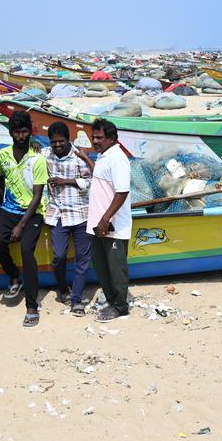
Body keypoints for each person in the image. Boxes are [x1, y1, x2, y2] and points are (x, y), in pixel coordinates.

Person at [0, 111, 49, 326]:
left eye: (25, 131)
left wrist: (20, 225)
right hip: (8, 209)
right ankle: (13, 276)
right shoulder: (3, 155)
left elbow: (37, 196)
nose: (21, 136)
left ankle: (32, 306)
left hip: (32, 212)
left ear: (30, 132)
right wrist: (2, 204)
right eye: (17, 132)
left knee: (27, 251)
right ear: (10, 133)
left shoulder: (37, 158)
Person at [43, 120, 93, 317]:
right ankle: (62, 287)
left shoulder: (79, 157)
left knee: (82, 259)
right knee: (59, 256)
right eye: (54, 142)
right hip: (58, 214)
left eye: (61, 142)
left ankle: (76, 300)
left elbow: (91, 182)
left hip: (81, 213)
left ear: (68, 140)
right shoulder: (45, 154)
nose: (57, 145)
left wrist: (68, 181)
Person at [88, 119, 132, 323]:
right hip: (98, 225)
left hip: (113, 226)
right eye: (93, 136)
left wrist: (106, 219)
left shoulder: (118, 158)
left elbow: (122, 192)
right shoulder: (103, 156)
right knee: (101, 266)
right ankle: (112, 301)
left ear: (112, 139)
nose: (95, 141)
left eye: (99, 137)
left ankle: (120, 306)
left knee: (116, 268)